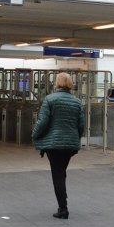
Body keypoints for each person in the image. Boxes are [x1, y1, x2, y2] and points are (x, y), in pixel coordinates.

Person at [31, 72, 84, 219]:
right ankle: (63, 200)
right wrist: (75, 138)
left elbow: (42, 122)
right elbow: (81, 125)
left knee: (57, 174)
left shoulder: (50, 99)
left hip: (54, 144)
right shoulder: (77, 102)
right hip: (69, 145)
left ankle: (63, 208)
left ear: (57, 83)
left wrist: (34, 135)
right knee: (61, 171)